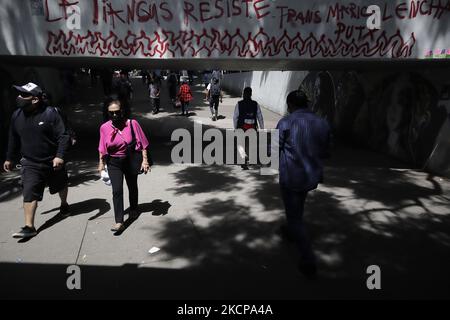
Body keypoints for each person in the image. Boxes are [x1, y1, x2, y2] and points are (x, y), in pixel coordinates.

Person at [3, 83, 71, 239]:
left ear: (34, 100)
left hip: (52, 161)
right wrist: (9, 157)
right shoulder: (16, 115)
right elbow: (13, 137)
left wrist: (59, 155)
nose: (19, 98)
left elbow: (63, 136)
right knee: (29, 192)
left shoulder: (50, 114)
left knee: (60, 185)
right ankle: (29, 226)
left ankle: (64, 204)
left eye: (23, 95)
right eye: (19, 94)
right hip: (30, 162)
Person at [276, 90, 331, 278]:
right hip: (310, 177)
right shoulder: (322, 123)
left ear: (290, 104)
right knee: (298, 205)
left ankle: (308, 260)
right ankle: (292, 230)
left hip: (291, 176)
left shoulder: (286, 122)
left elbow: (275, 148)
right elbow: (326, 152)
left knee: (294, 217)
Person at [98, 99, 150, 232]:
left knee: (132, 186)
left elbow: (143, 143)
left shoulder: (132, 124)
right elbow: (102, 147)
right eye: (111, 113)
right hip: (113, 162)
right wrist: (101, 163)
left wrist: (145, 161)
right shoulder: (104, 127)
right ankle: (119, 221)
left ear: (122, 111)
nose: (114, 115)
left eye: (117, 112)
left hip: (130, 159)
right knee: (116, 190)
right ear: (108, 113)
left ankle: (133, 208)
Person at [233, 87, 264, 169]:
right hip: (252, 127)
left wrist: (235, 127)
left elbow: (235, 117)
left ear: (244, 94)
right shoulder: (255, 104)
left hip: (241, 127)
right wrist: (262, 128)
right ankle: (249, 160)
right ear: (251, 94)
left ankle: (244, 156)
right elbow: (260, 117)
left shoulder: (239, 104)